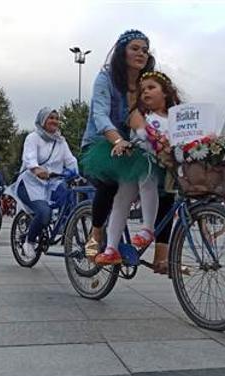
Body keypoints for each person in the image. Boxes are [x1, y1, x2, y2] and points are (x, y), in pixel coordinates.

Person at [84, 70, 180, 266]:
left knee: (150, 182)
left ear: (166, 92)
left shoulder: (176, 117)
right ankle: (114, 246)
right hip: (138, 160)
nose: (145, 92)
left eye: (151, 88)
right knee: (122, 198)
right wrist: (150, 137)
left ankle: (150, 234)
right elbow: (142, 132)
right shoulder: (141, 114)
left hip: (162, 165)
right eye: (142, 90)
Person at [80, 29, 156, 260]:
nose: (141, 53)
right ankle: (95, 236)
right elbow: (100, 115)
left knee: (159, 178)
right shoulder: (106, 79)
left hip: (131, 146)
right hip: (100, 144)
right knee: (110, 183)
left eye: (145, 49)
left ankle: (156, 244)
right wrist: (118, 139)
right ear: (122, 52)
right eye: (135, 48)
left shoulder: (146, 84)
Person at [13, 107, 78, 258]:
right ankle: (29, 241)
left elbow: (70, 159)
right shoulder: (33, 138)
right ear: (42, 121)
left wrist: (75, 171)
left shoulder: (61, 142)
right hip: (30, 184)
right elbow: (29, 157)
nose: (55, 121)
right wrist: (36, 169)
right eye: (51, 118)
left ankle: (62, 228)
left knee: (69, 199)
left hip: (52, 184)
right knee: (44, 213)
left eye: (56, 118)